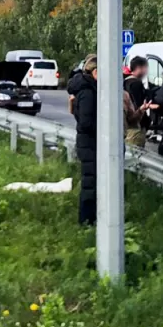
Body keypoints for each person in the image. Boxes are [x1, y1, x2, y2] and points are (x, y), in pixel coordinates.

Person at [68, 54, 98, 225]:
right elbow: (86, 122)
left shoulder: (86, 88)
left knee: (92, 181)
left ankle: (90, 218)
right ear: (94, 72)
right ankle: (86, 220)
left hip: (88, 142)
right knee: (90, 182)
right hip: (89, 143)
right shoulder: (87, 92)